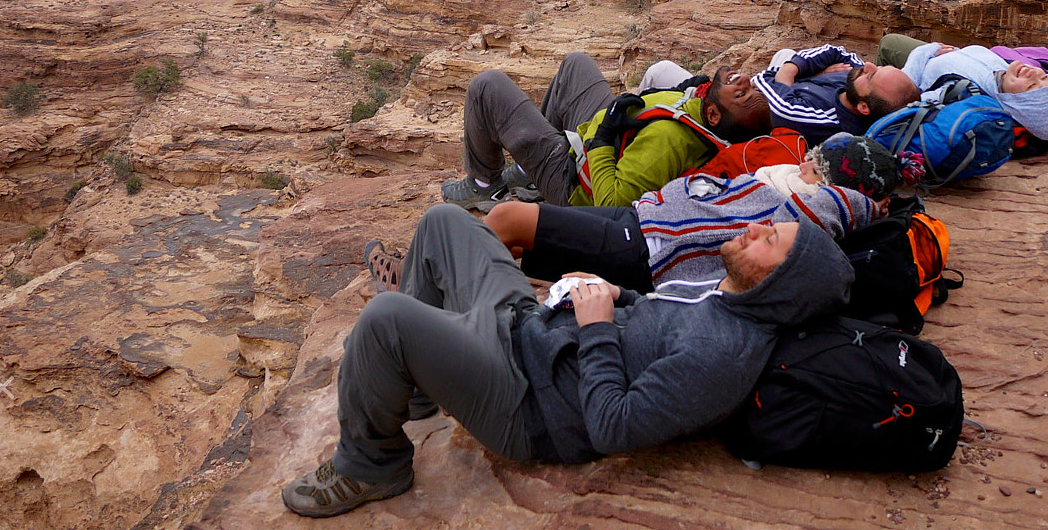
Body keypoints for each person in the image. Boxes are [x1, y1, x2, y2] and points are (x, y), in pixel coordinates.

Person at [280, 202, 851, 518]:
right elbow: (650, 312)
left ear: (780, 285)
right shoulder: (724, 291)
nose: (753, 228)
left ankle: (371, 465)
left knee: (385, 322)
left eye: (768, 239)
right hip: (527, 332)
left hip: (526, 401)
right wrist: (607, 291)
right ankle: (423, 384)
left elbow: (612, 427)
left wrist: (597, 327)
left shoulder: (722, 355)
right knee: (443, 223)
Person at [479, 133, 895, 292]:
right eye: (813, 157)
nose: (805, 165)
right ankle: (445, 295)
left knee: (506, 219)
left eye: (817, 167)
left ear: (835, 184)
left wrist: (866, 203)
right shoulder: (788, 186)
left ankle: (438, 319)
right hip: (644, 222)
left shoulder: (815, 210)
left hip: (654, 250)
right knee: (515, 237)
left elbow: (838, 207)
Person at [441, 52, 770, 210]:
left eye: (740, 94)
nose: (742, 81)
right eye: (749, 86)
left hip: (574, 183)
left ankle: (485, 185)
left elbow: (611, 204)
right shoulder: (699, 107)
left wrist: (600, 143)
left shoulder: (669, 142)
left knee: (488, 86)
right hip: (600, 141)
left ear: (714, 115)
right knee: (577, 65)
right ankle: (530, 173)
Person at [877, 35, 1048, 142]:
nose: (1034, 74)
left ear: (1016, 106)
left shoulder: (965, 95)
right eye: (1044, 77)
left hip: (920, 64)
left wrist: (925, 51)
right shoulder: (1006, 75)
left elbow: (907, 98)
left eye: (1031, 86)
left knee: (889, 43)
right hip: (940, 53)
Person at [752, 44, 920, 145]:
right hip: (793, 87)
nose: (868, 64)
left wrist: (791, 72)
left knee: (782, 61)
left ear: (863, 107)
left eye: (870, 76)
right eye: (881, 67)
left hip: (762, 103)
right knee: (787, 55)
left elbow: (765, 80)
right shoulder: (856, 86)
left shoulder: (825, 120)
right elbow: (837, 52)